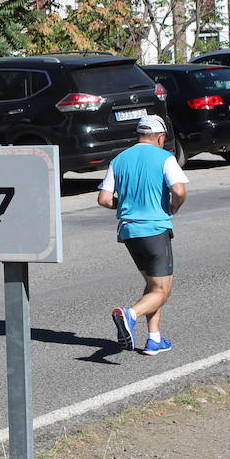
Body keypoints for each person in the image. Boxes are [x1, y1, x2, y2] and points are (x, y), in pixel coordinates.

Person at [97, 114, 188, 356]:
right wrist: (174, 206)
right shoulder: (165, 157)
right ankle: (130, 314)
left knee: (152, 286)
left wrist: (129, 204)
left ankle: (154, 339)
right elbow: (179, 190)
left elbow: (104, 199)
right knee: (162, 290)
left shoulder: (119, 159)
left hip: (128, 231)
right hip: (154, 229)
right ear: (160, 137)